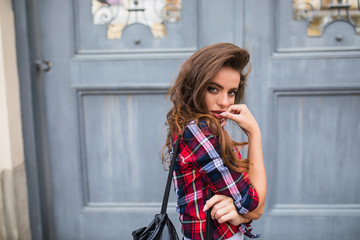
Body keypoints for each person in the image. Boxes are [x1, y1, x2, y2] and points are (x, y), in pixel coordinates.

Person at [162, 43, 267, 240]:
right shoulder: (198, 132)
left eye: (231, 92)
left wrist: (239, 210)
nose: (225, 102)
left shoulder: (192, 127)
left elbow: (246, 201)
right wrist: (254, 133)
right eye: (213, 89)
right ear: (195, 86)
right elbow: (254, 206)